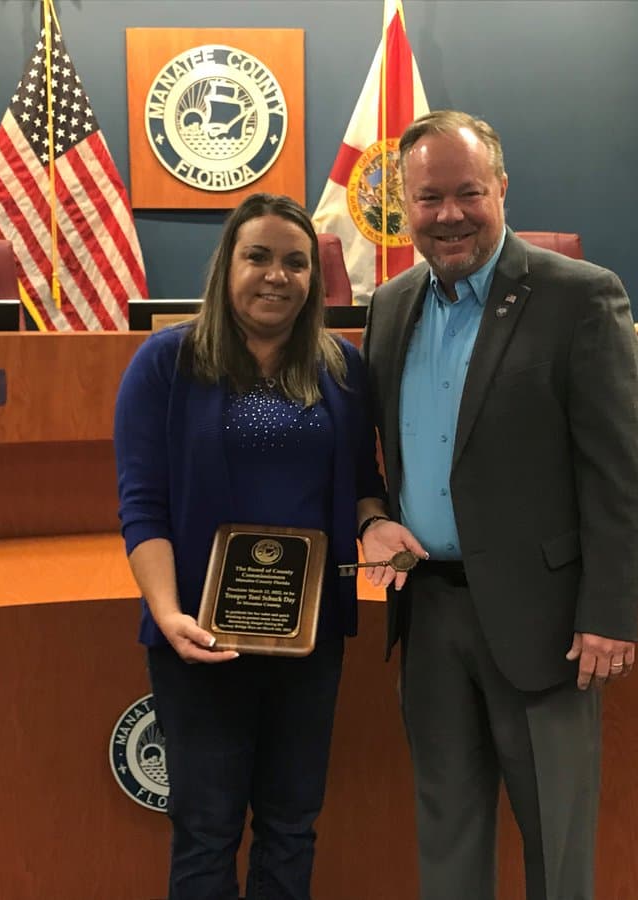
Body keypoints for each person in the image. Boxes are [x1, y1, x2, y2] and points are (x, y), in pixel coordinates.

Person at [358, 111, 638, 900]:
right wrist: (370, 517)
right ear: (406, 206)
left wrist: (611, 610)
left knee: (557, 842)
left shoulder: (579, 297)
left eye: (468, 193)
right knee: (447, 834)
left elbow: (619, 473)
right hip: (428, 615)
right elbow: (369, 452)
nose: (449, 214)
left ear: (502, 190)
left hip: (545, 625)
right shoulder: (389, 306)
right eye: (429, 198)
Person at [114, 192, 420, 900]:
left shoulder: (343, 370)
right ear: (228, 264)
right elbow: (142, 506)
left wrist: (374, 523)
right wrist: (167, 614)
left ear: (314, 277)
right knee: (206, 828)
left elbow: (363, 485)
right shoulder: (165, 364)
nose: (276, 275)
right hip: (199, 640)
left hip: (308, 641)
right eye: (258, 256)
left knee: (291, 824)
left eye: (295, 262)